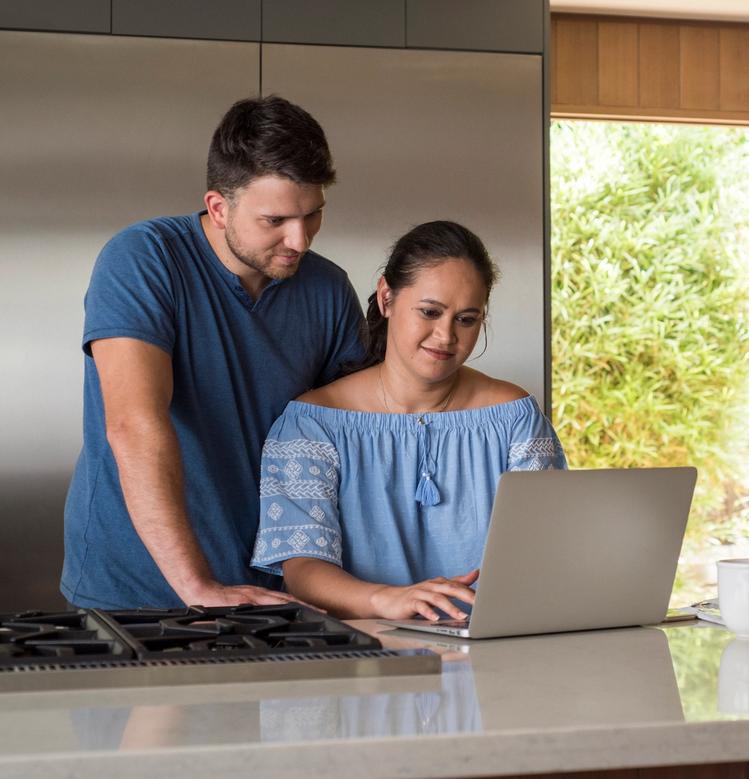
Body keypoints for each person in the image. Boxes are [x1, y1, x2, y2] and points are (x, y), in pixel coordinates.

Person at [61, 96, 365, 610]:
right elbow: (133, 425)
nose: (300, 239)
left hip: (275, 595)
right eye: (276, 220)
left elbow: (362, 436)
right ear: (219, 207)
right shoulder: (143, 259)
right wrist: (199, 588)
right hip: (137, 594)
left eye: (313, 215)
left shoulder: (329, 290)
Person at [250, 220, 567, 621]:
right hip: (365, 660)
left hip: (496, 657)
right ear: (386, 298)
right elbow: (303, 571)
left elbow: (545, 552)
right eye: (430, 312)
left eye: (466, 319)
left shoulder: (515, 417)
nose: (446, 336)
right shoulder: (311, 425)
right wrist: (388, 600)